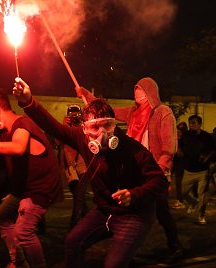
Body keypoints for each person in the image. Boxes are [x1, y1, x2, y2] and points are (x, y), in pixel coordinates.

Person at [12, 77, 168, 267]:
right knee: (73, 242)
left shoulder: (132, 148)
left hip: (134, 215)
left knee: (113, 265)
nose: (102, 133)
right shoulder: (81, 139)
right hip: (105, 211)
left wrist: (134, 194)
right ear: (84, 129)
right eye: (94, 127)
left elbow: (160, 181)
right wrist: (28, 102)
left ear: (114, 125)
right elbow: (53, 127)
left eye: (107, 125)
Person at [77, 77, 184, 262]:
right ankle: (126, 249)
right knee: (129, 208)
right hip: (133, 169)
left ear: (150, 91)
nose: (136, 92)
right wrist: (87, 95)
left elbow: (169, 144)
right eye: (135, 88)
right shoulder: (133, 112)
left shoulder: (162, 112)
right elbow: (111, 113)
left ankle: (174, 244)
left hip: (153, 167)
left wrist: (162, 167)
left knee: (160, 209)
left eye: (140, 89)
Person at [0, 88, 63, 268]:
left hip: (40, 188)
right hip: (22, 188)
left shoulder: (22, 124)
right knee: (2, 217)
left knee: (24, 232)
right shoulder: (0, 130)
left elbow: (18, 147)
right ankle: (19, 262)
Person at [178, 115, 216, 225]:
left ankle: (201, 215)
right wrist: (179, 151)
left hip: (202, 171)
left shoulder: (207, 137)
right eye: (190, 123)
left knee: (202, 195)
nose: (191, 125)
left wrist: (207, 158)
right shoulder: (186, 135)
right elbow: (180, 146)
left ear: (199, 124)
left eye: (194, 123)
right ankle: (193, 203)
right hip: (188, 170)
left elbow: (213, 150)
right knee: (183, 193)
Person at [58, 104, 89, 228]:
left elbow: (88, 142)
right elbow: (57, 142)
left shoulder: (85, 127)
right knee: (77, 194)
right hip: (70, 167)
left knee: (79, 194)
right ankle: (88, 219)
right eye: (72, 115)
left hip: (83, 165)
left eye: (77, 114)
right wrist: (63, 126)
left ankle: (74, 225)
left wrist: (83, 125)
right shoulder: (65, 127)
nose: (74, 117)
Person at [172, 122, 188, 209]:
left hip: (182, 163)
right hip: (176, 162)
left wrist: (178, 148)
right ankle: (181, 199)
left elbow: (181, 153)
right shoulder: (178, 138)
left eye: (181, 130)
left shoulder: (186, 139)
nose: (178, 132)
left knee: (180, 182)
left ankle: (181, 200)